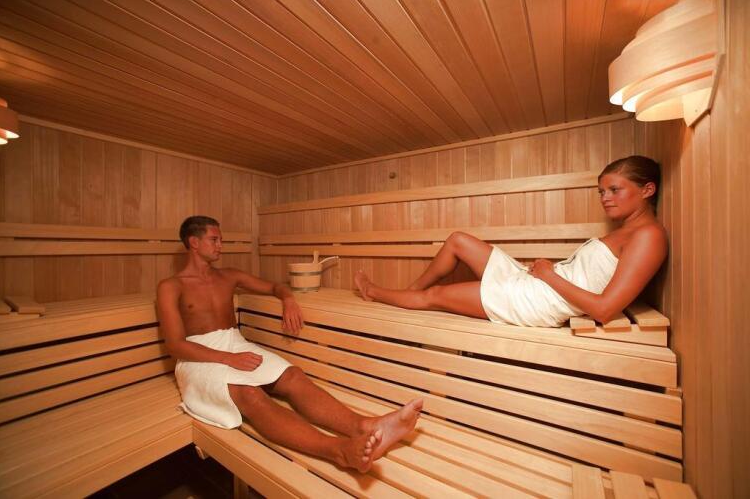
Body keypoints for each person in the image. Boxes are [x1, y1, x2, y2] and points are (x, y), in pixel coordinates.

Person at [157, 215, 422, 473]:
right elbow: (175, 345)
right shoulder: (171, 286)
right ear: (194, 242)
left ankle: (364, 426)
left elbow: (275, 287)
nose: (220, 246)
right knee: (250, 393)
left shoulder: (228, 276)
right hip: (197, 358)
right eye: (214, 240)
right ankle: (339, 451)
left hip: (234, 344)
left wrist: (288, 300)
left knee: (293, 375)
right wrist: (228, 359)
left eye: (220, 240)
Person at [354, 155, 668, 328]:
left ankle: (375, 292)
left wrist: (548, 275)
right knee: (458, 240)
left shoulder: (649, 237)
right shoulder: (628, 230)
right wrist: (546, 273)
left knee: (435, 295)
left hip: (537, 302)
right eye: (602, 191)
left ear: (647, 190)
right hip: (536, 283)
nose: (605, 198)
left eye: (615, 190)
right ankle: (409, 293)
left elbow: (604, 309)